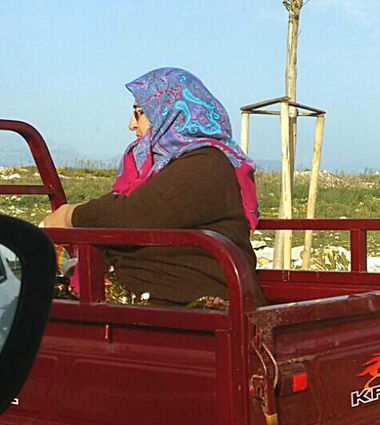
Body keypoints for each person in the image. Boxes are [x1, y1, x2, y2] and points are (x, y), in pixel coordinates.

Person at [43, 67, 264, 307]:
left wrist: (70, 215)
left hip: (190, 304)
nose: (131, 125)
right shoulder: (167, 165)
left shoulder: (206, 164)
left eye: (139, 112)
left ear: (172, 113)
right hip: (161, 297)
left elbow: (132, 214)